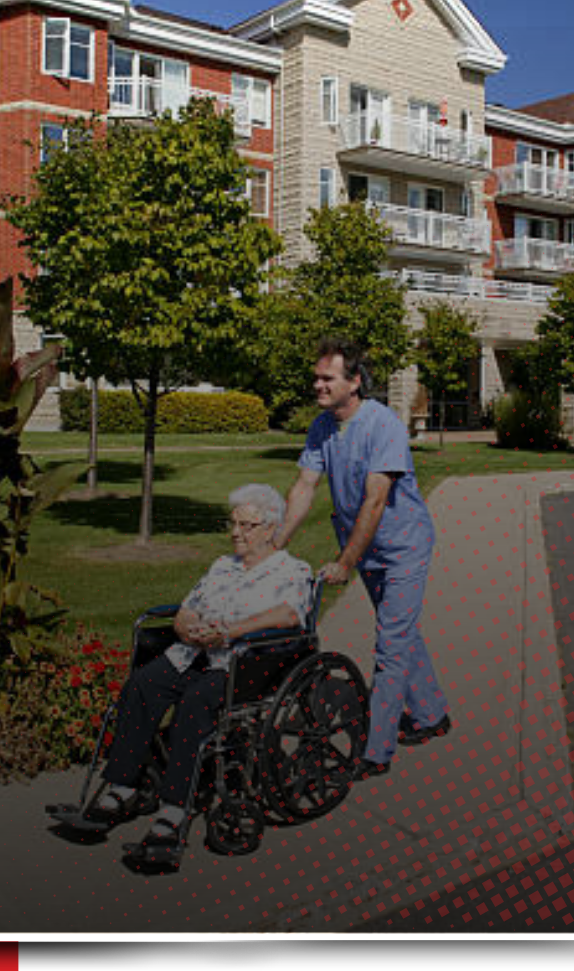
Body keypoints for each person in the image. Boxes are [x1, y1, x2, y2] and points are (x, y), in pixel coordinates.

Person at [74, 483, 312, 865]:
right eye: (233, 523)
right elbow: (188, 606)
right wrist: (185, 626)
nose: (236, 532)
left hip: (241, 664)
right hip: (193, 652)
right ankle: (120, 786)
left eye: (247, 525)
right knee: (143, 682)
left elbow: (288, 615)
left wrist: (230, 632)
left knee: (195, 704)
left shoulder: (291, 570)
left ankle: (172, 813)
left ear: (270, 529)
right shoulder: (222, 565)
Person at [272, 337, 450, 779]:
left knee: (390, 643)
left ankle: (376, 750)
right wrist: (272, 547)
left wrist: (345, 562)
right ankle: (431, 714)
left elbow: (375, 501)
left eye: (326, 378)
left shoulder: (383, 424)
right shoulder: (322, 426)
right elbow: (303, 488)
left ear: (354, 382)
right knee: (401, 630)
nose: (317, 384)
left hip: (403, 545)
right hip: (366, 545)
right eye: (316, 377)